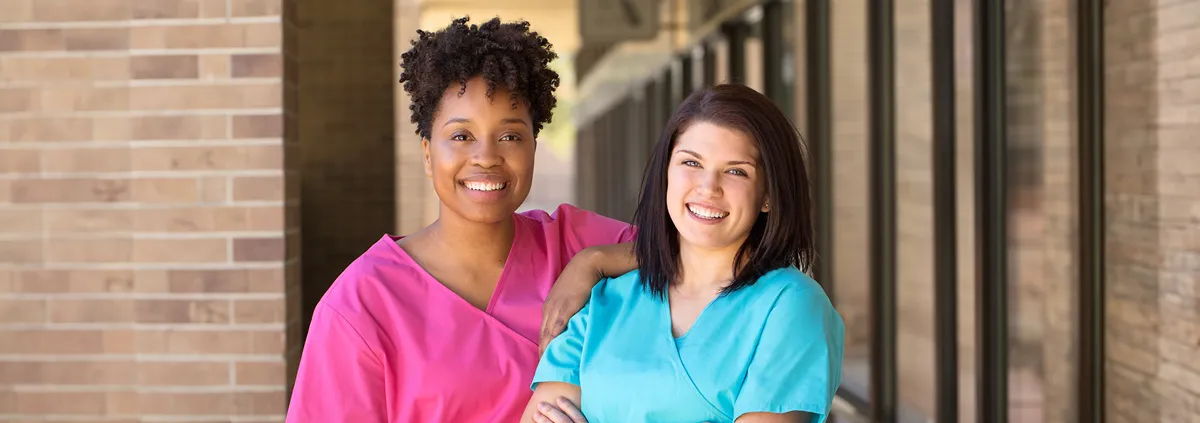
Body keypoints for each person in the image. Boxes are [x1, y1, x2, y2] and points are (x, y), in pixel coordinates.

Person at [285, 16, 637, 423]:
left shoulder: (576, 243)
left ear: (533, 148)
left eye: (510, 136)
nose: (486, 156)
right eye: (461, 136)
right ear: (427, 153)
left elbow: (701, 255)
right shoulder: (364, 304)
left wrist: (590, 264)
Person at [522, 84, 845, 423]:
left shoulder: (790, 306)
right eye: (691, 162)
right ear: (666, 174)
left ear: (768, 195)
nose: (708, 187)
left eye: (736, 171)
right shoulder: (603, 303)